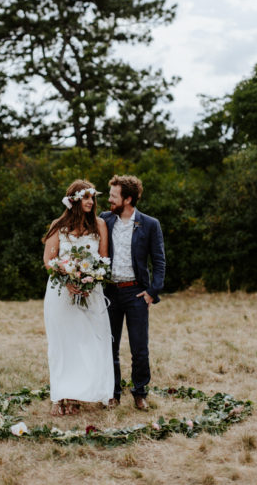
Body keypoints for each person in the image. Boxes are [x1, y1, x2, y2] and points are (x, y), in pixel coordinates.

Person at [43, 179, 114, 416]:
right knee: (62, 344)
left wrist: (90, 278)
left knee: (86, 343)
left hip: (90, 293)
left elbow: (103, 260)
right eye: (86, 198)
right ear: (74, 200)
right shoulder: (58, 225)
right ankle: (60, 396)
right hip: (61, 295)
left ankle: (77, 396)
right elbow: (48, 261)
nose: (91, 202)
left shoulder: (100, 225)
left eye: (92, 198)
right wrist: (67, 278)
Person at [100, 175, 165, 411]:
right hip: (110, 293)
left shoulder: (150, 224)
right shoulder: (104, 220)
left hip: (136, 293)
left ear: (127, 199)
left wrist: (151, 292)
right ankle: (112, 393)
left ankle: (140, 393)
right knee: (110, 346)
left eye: (113, 196)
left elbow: (159, 261)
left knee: (139, 348)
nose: (109, 200)